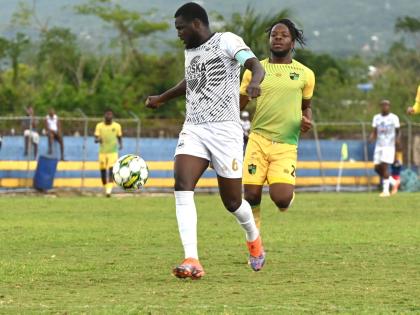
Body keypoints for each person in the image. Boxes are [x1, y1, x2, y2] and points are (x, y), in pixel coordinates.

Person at [145, 2, 266, 279]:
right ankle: (192, 258)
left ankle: (253, 238)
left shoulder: (227, 41)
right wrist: (161, 98)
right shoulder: (190, 51)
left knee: (233, 202)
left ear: (197, 24)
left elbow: (254, 65)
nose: (178, 34)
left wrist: (255, 82)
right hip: (195, 128)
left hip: (226, 131)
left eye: (180, 28)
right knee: (182, 183)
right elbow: (191, 81)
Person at [239, 19, 315, 229]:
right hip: (258, 139)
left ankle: (286, 196)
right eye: (274, 35)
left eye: (284, 35)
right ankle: (255, 243)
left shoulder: (305, 74)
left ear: (292, 43)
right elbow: (239, 104)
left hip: (286, 143)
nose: (278, 38)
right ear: (269, 40)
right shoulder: (255, 71)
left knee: (281, 199)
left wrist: (307, 119)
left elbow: (306, 106)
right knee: (251, 195)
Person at [370, 100, 400, 197]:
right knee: (377, 168)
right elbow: (374, 131)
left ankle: (386, 191)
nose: (385, 107)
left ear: (389, 106)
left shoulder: (394, 118)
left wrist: (397, 140)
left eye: (387, 105)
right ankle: (394, 182)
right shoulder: (376, 118)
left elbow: (398, 131)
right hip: (379, 145)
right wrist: (371, 137)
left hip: (389, 145)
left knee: (384, 166)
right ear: (380, 106)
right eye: (383, 105)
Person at [94, 109, 123, 197]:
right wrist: (98, 139)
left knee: (111, 171)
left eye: (110, 114)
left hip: (113, 152)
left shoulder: (117, 126)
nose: (109, 116)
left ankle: (109, 191)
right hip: (102, 152)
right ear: (104, 116)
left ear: (112, 116)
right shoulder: (99, 126)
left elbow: (119, 136)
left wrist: (121, 144)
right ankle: (105, 188)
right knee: (103, 172)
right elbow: (95, 139)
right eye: (107, 114)